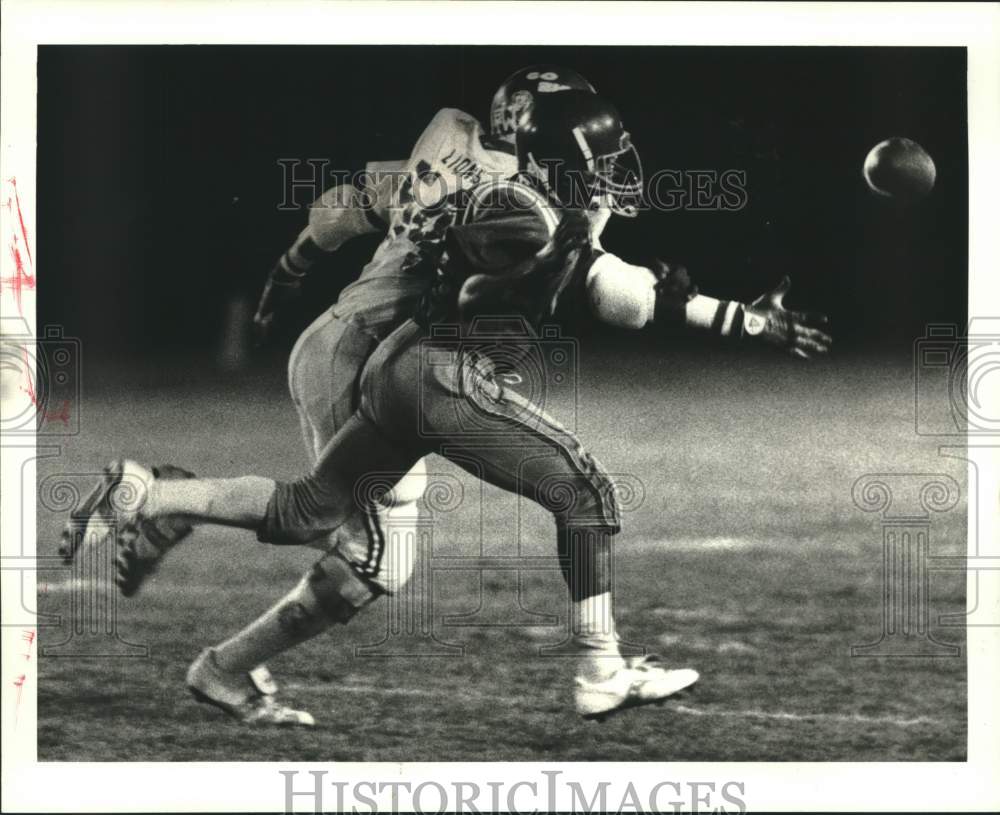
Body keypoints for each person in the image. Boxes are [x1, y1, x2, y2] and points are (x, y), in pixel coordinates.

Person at [64, 89, 831, 726]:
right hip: (413, 366)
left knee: (317, 513)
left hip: (387, 361)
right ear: (550, 156)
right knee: (545, 503)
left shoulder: (475, 168)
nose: (611, 176)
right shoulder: (517, 209)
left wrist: (288, 270)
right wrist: (547, 277)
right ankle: (601, 671)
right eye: (598, 163)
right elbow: (574, 285)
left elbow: (357, 206)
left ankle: (157, 505)